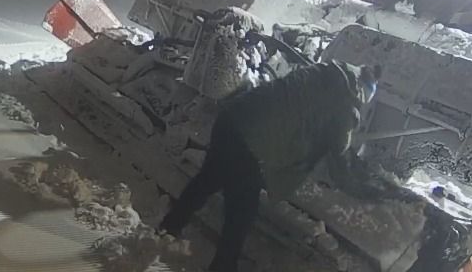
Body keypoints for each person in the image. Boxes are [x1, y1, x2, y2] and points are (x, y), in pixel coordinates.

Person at [159, 60, 381, 272]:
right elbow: (340, 159)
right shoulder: (347, 104)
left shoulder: (325, 71)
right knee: (242, 210)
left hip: (232, 116)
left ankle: (168, 227)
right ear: (365, 93)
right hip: (250, 142)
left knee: (208, 179)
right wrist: (364, 189)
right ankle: (223, 266)